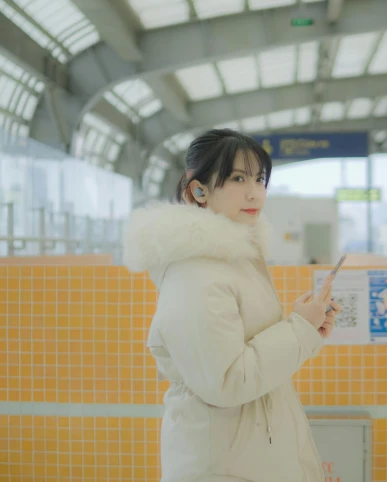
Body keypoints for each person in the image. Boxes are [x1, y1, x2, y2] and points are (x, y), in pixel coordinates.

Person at [123, 128, 342, 482]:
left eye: (259, 179)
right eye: (238, 178)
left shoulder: (234, 261)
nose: (254, 192)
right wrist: (298, 329)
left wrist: (306, 327)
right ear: (199, 190)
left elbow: (249, 356)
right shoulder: (196, 273)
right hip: (222, 464)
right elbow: (226, 381)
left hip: (247, 454)